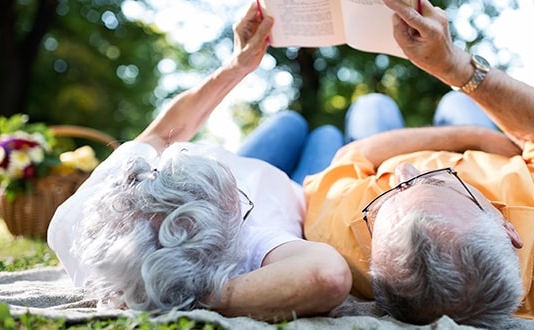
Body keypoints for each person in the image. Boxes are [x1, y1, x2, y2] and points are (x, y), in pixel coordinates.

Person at [302, 0, 534, 327]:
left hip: (381, 152)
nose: (405, 171)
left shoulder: (346, 237)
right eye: (438, 180)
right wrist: (454, 69)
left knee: (372, 104)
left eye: (392, 194)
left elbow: (351, 157)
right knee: (458, 99)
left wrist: (464, 140)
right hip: (498, 151)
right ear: (507, 228)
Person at [47, 3, 351, 322]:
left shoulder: (77, 216)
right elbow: (328, 276)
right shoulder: (246, 252)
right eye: (239, 204)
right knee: (328, 134)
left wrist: (238, 64)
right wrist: (201, 299)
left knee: (289, 122)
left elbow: (165, 134)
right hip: (298, 190)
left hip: (250, 162)